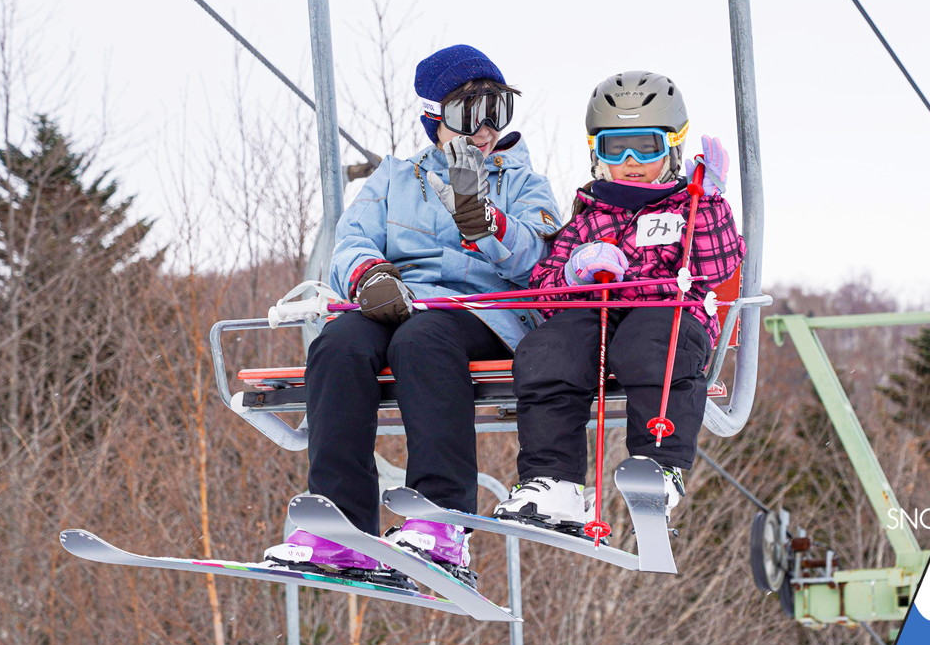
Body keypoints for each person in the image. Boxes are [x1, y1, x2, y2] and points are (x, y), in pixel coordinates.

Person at [263, 45, 560, 586]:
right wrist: (368, 277)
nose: (486, 129)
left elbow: (540, 263)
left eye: (498, 111)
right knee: (338, 343)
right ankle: (341, 525)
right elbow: (350, 240)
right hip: (399, 304)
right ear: (434, 118)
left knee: (422, 340)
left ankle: (439, 518)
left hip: (485, 314)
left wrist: (489, 225)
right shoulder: (396, 179)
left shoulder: (520, 180)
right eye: (470, 114)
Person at [493, 70, 744, 531]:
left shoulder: (686, 206)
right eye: (614, 147)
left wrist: (707, 202)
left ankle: (657, 465)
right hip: (600, 316)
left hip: (670, 315)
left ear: (672, 146)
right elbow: (546, 289)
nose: (630, 160)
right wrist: (573, 271)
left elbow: (719, 263)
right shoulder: (591, 215)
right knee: (548, 349)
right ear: (596, 153)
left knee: (649, 341)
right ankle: (554, 480)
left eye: (645, 147)